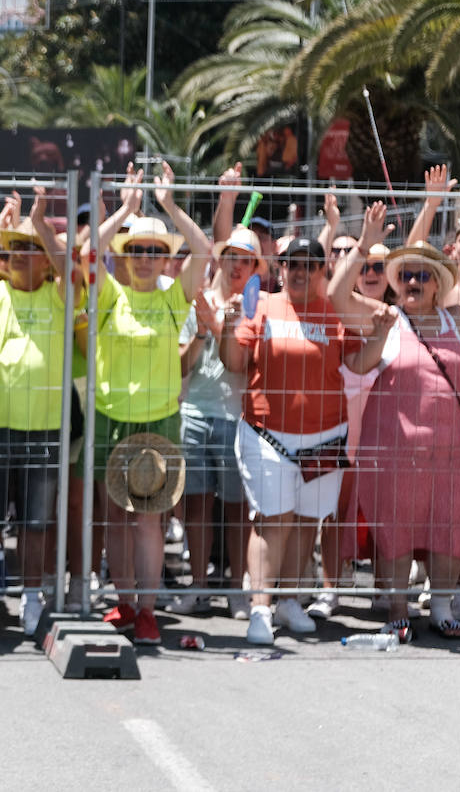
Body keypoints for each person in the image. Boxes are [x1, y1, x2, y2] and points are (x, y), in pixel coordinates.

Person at [81, 163, 211, 646]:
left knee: (149, 520)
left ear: (164, 260)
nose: (145, 258)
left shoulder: (175, 298)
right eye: (136, 250)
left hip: (158, 422)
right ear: (126, 255)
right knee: (115, 518)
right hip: (112, 418)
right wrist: (127, 211)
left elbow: (204, 250)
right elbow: (86, 250)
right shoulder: (109, 295)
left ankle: (149, 610)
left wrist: (170, 203)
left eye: (155, 252)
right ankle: (126, 601)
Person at [331, 203, 460, 641]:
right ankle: (396, 608)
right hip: (395, 453)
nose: (413, 281)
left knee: (449, 524)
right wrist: (362, 241)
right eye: (406, 275)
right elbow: (335, 296)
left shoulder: (459, 319)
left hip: (453, 452)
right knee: (395, 527)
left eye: (423, 276)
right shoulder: (385, 320)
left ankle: (443, 608)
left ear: (437, 287)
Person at [221, 236, 349, 645]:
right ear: (280, 268)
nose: (299, 271)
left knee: (307, 521)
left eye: (309, 264)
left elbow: (359, 360)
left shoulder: (336, 310)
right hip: (267, 434)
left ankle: (290, 602)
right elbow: (235, 362)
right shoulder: (261, 307)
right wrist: (226, 326)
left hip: (325, 436)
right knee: (273, 521)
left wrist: (379, 335)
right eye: (292, 263)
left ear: (321, 270)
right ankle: (260, 607)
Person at [0, 191, 75, 635]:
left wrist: (40, 225)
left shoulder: (58, 295)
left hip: (44, 428)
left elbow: (72, 269)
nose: (23, 255)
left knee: (35, 524)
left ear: (46, 257)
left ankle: (32, 598)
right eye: (18, 247)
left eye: (32, 248)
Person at [168, 217, 260, 621]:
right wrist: (204, 331)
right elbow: (181, 367)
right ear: (220, 261)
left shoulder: (260, 308)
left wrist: (224, 325)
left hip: (237, 418)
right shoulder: (198, 299)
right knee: (196, 505)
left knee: (237, 509)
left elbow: (248, 367)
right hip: (195, 414)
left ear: (257, 268)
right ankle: (200, 587)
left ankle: (237, 591)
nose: (236, 266)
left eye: (246, 260)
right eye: (231, 257)